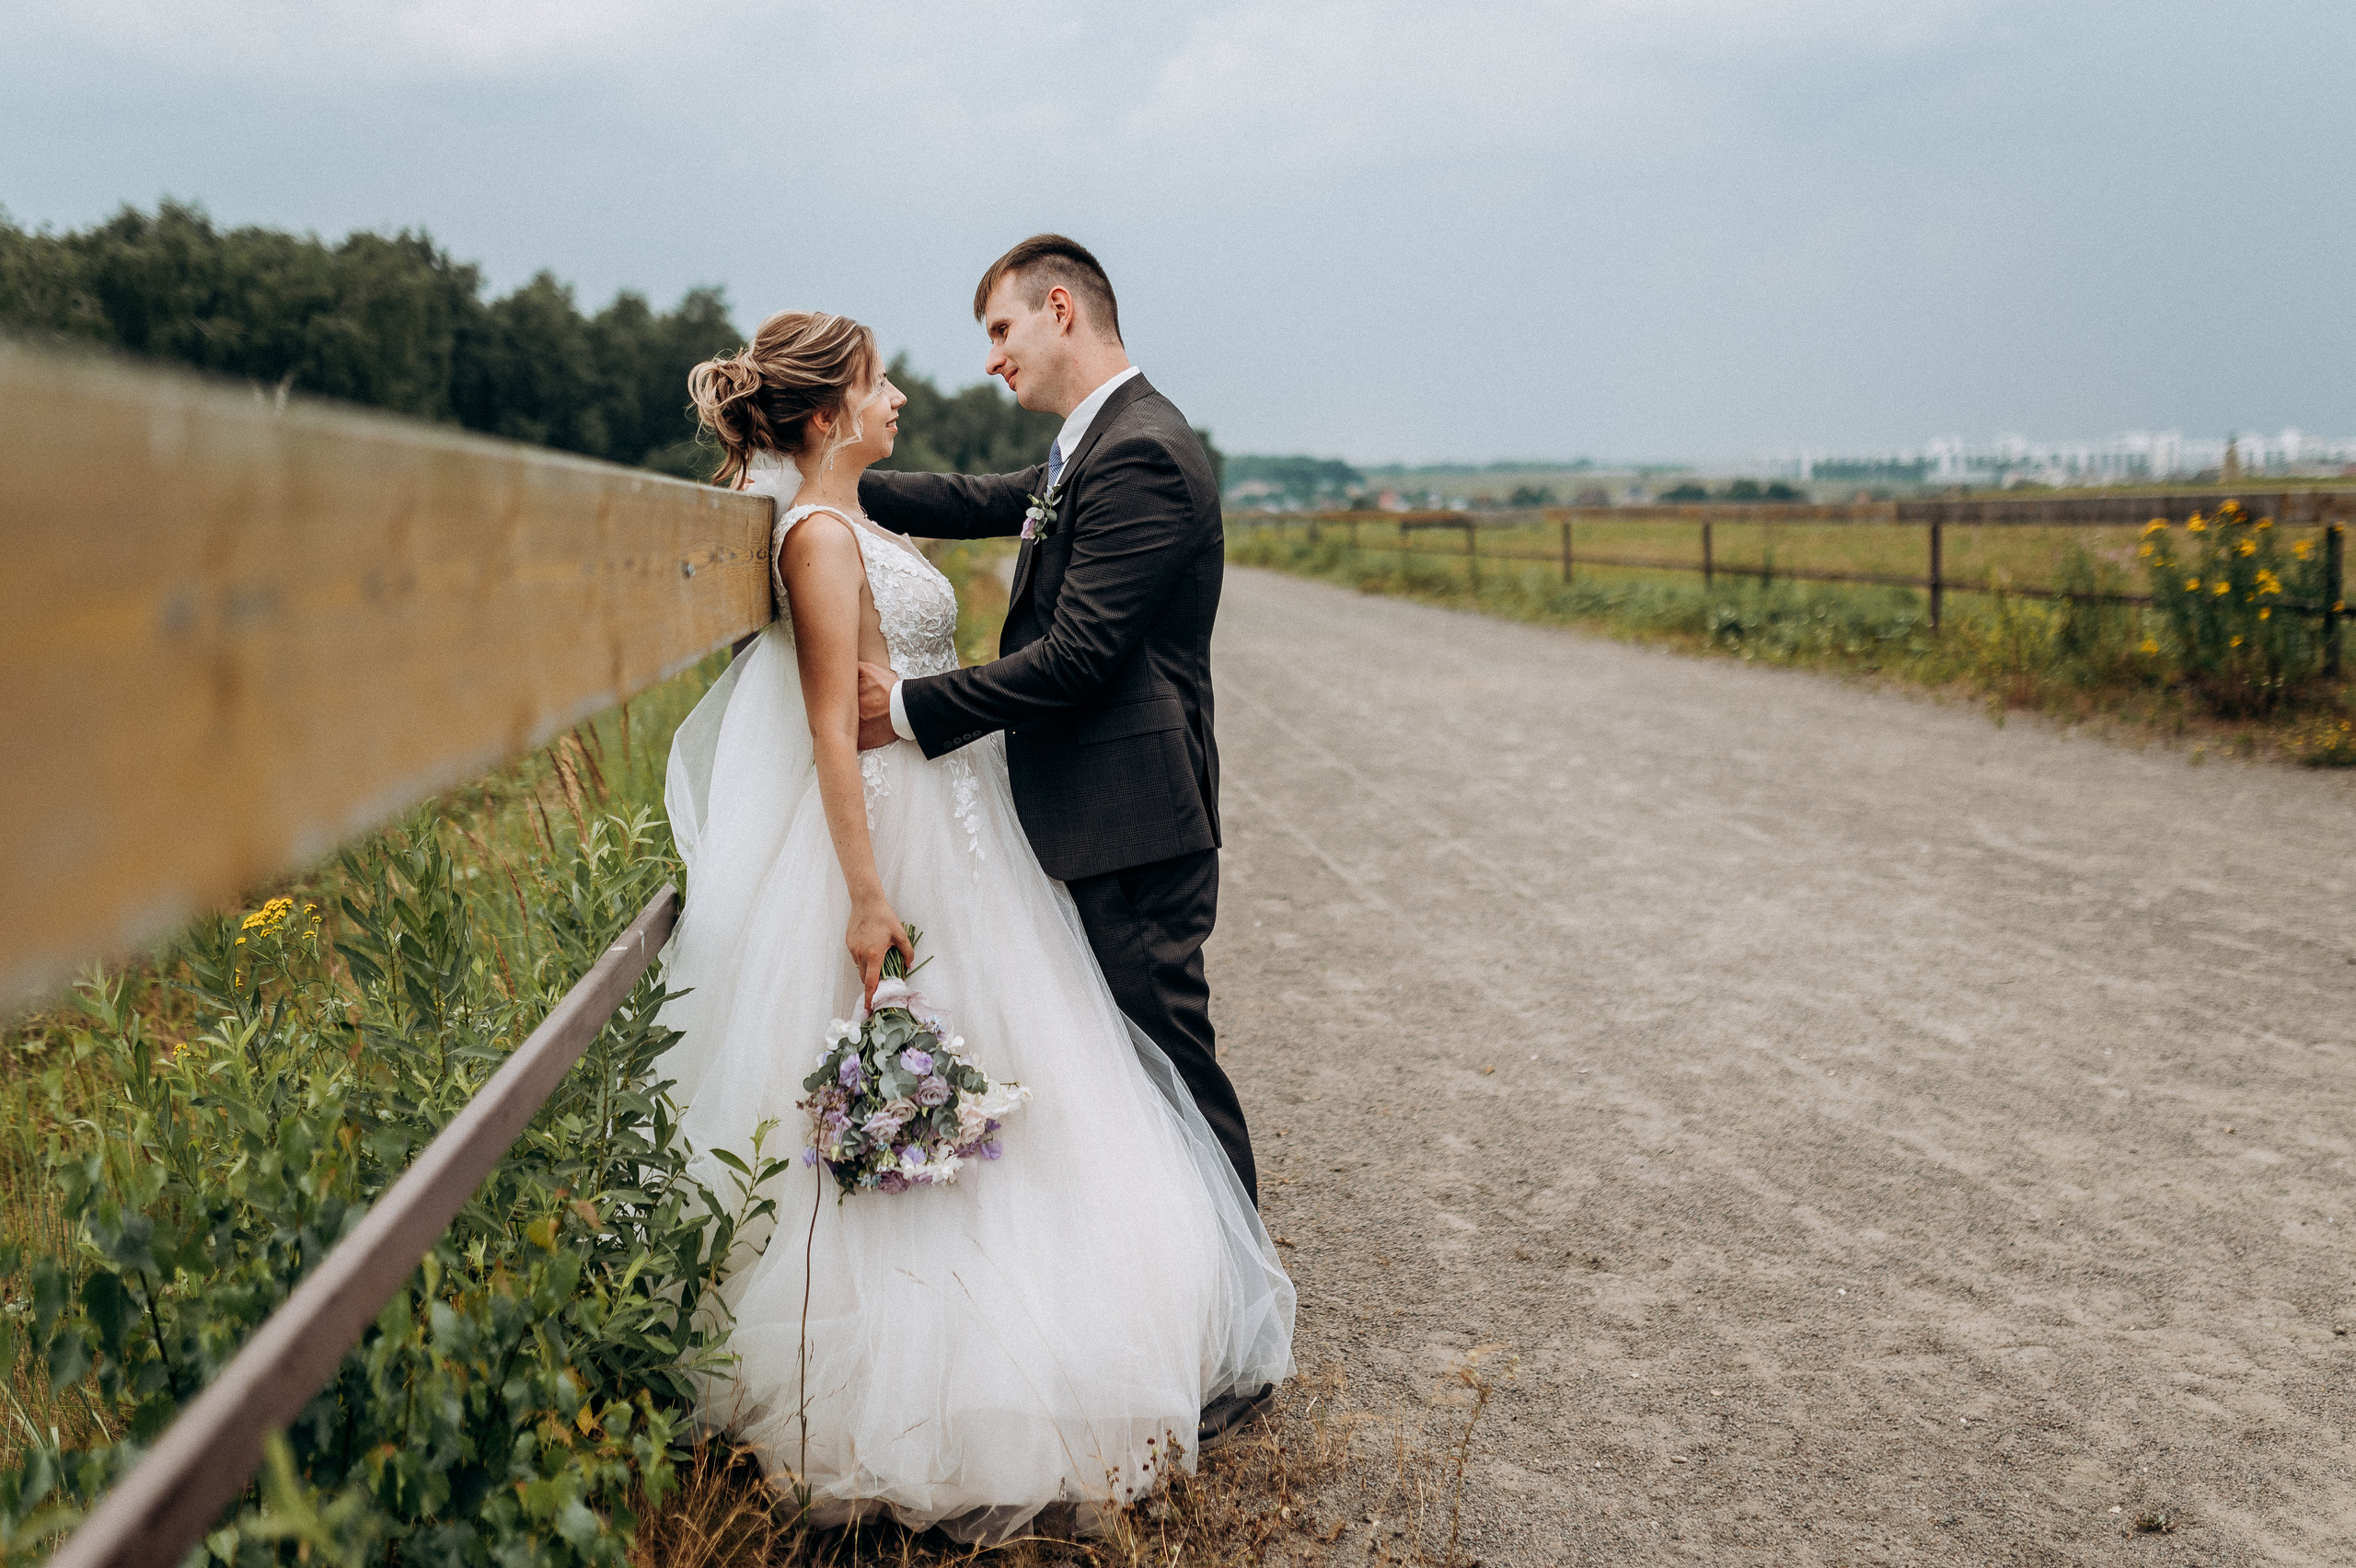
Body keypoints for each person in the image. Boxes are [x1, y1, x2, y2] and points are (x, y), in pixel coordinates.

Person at [656, 301, 1292, 1543]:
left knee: (1032, 1067)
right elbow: (833, 726)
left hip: (962, 819)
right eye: (881, 384)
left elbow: (959, 553)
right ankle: (917, 1384)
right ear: (834, 409)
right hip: (898, 835)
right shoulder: (819, 537)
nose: (905, 398)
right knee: (929, 1078)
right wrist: (868, 894)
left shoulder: (861, 511)